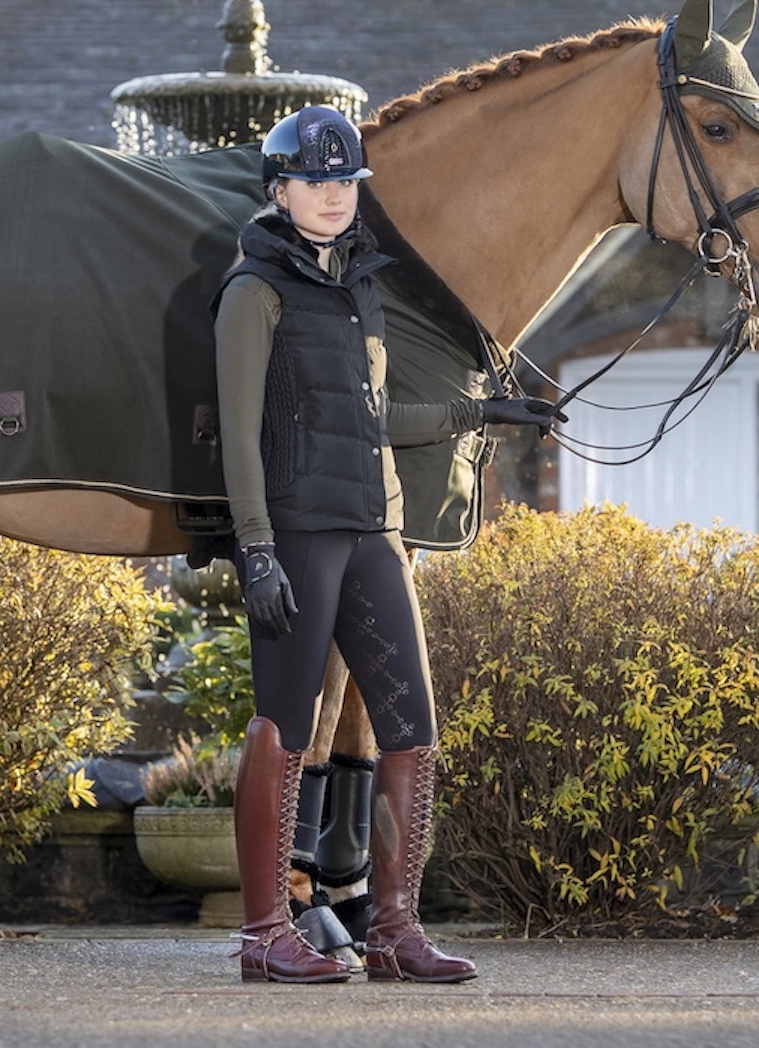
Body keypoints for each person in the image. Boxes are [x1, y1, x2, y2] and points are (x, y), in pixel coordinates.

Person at [212, 105, 561, 985]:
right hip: (296, 529)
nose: (332, 197)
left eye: (344, 183)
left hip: (377, 526)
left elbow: (371, 417)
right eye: (315, 182)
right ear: (280, 190)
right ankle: (263, 931)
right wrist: (254, 547)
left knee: (412, 728)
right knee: (286, 727)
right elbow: (237, 430)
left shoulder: (361, 287)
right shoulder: (253, 292)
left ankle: (393, 930)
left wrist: (477, 411)